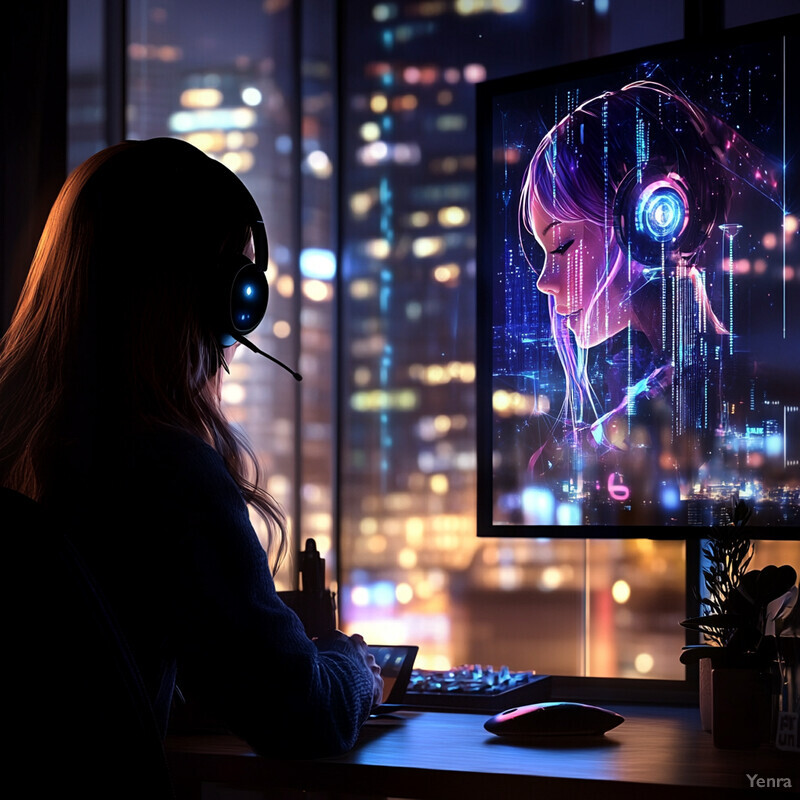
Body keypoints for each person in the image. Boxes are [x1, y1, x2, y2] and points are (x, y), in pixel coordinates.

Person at [0, 138, 383, 784]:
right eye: (239, 289)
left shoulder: (24, 448)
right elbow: (304, 714)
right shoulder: (166, 473)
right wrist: (352, 666)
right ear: (208, 300)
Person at [515, 80, 782, 520]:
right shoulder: (676, 383)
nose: (544, 280)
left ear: (643, 220)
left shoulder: (721, 385)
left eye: (561, 246)